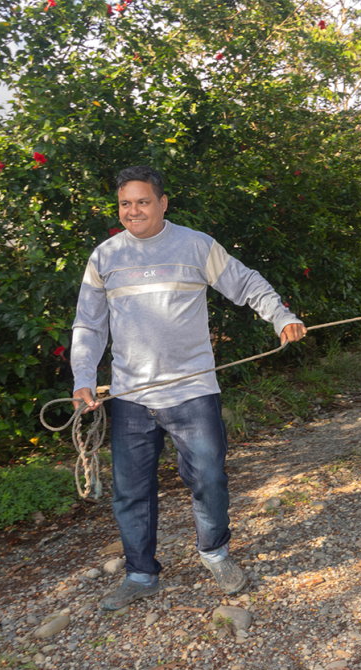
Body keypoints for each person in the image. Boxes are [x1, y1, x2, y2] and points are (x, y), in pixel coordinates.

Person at [70, 165, 306, 610]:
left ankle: (215, 553)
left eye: (143, 201)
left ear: (162, 203)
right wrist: (83, 378)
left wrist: (281, 316)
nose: (133, 211)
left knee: (209, 478)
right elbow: (89, 324)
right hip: (129, 397)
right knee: (130, 492)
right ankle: (141, 574)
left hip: (192, 391)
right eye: (125, 203)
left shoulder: (196, 246)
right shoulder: (105, 257)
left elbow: (246, 282)